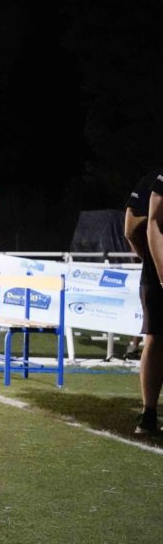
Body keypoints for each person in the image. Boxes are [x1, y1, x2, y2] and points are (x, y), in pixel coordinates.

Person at [128, 170, 163, 435]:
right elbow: (143, 224)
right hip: (157, 275)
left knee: (155, 340)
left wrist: (149, 261)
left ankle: (148, 414)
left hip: (153, 274)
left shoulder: (148, 177)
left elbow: (130, 228)